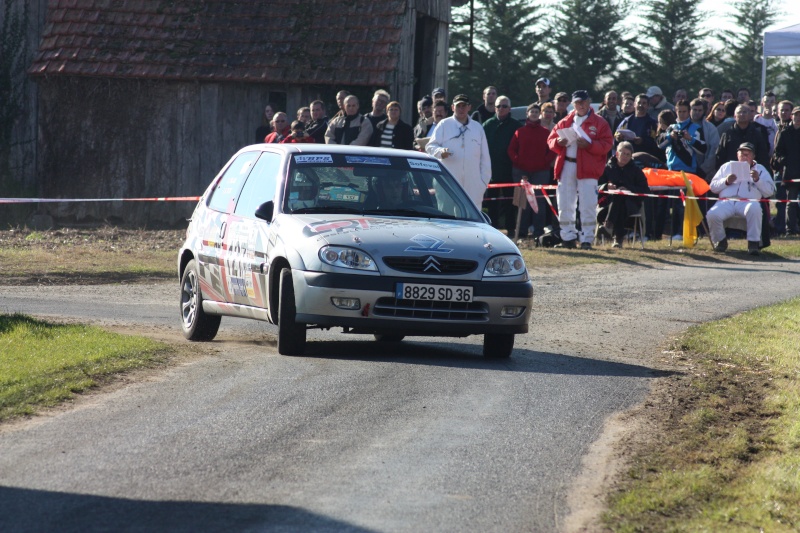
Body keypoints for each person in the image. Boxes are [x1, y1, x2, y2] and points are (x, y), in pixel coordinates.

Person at [546, 90, 613, 249]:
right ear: (573, 104)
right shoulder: (566, 121)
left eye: (583, 102)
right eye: (577, 102)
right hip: (567, 165)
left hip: (588, 167)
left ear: (589, 102)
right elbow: (551, 140)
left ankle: (586, 239)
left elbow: (607, 145)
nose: (580, 105)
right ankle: (567, 238)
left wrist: (590, 145)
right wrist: (558, 142)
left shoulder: (599, 122)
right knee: (565, 204)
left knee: (588, 204)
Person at [707, 142, 775, 255]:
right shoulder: (727, 166)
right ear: (737, 155)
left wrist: (758, 180)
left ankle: (753, 243)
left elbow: (770, 192)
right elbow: (713, 187)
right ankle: (720, 241)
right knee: (712, 214)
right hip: (727, 201)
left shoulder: (760, 169)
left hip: (748, 202)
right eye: (742, 154)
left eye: (747, 154)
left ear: (753, 156)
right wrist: (726, 181)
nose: (744, 157)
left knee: (755, 209)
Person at [426, 94, 491, 209]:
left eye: (464, 106)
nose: (461, 109)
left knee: (471, 222)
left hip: (473, 186)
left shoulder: (477, 128)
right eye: (458, 106)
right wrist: (440, 152)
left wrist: (483, 183)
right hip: (447, 183)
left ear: (469, 107)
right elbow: (430, 147)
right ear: (452, 108)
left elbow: (485, 159)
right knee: (447, 221)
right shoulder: (444, 124)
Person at [507, 103, 557, 240]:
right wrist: (518, 161)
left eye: (536, 112)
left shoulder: (546, 132)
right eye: (532, 112)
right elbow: (511, 150)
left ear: (539, 114)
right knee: (522, 201)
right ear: (527, 114)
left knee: (539, 201)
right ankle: (521, 232)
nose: (534, 114)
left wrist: (544, 162)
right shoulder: (520, 132)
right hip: (521, 171)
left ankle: (538, 232)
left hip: (541, 171)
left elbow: (552, 150)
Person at [598, 141, 650, 248]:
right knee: (618, 199)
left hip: (630, 204)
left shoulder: (636, 171)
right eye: (623, 153)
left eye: (628, 155)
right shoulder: (607, 168)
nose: (625, 157)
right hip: (607, 203)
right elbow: (596, 186)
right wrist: (606, 187)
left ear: (631, 156)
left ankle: (609, 226)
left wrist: (628, 188)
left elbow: (645, 190)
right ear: (617, 153)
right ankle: (618, 238)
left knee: (620, 199)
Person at [483, 95, 522, 234]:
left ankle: (511, 228)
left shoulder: (516, 125)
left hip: (509, 170)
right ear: (495, 108)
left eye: (504, 106)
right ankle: (491, 227)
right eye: (498, 106)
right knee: (491, 202)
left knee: (510, 202)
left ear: (509, 108)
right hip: (491, 170)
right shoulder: (487, 125)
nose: (501, 108)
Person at [771, 106, 800, 236]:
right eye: (796, 115)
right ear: (792, 116)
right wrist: (784, 161)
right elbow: (778, 152)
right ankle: (790, 229)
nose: (798, 118)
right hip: (791, 172)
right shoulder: (784, 132)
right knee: (791, 202)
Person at [716, 104, 770, 170]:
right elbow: (720, 155)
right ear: (735, 116)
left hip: (753, 173)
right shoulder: (727, 134)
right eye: (739, 112)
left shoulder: (757, 134)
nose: (742, 114)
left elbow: (763, 156)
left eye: (745, 112)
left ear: (750, 115)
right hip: (731, 173)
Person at [616, 93, 660, 160]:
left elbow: (656, 142)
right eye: (639, 102)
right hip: (627, 159)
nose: (641, 105)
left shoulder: (652, 123)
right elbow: (616, 134)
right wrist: (618, 137)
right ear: (634, 104)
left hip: (646, 159)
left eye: (644, 103)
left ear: (648, 105)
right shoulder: (626, 121)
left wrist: (642, 141)